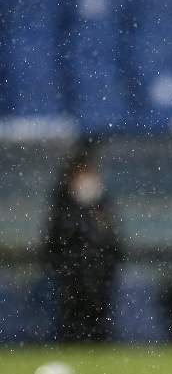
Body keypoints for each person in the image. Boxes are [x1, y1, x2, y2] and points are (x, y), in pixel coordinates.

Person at [44, 142, 122, 342]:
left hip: (100, 276)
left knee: (99, 322)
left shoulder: (102, 203)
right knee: (72, 322)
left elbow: (113, 240)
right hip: (71, 277)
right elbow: (55, 242)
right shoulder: (63, 204)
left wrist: (106, 264)